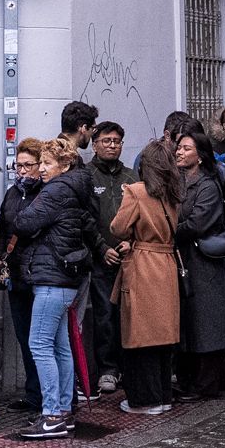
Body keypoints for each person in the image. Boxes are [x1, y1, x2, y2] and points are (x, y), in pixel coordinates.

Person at [10, 136, 94, 441]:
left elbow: (23, 222)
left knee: (40, 344)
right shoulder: (75, 188)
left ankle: (52, 415)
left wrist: (27, 207)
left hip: (52, 276)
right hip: (64, 277)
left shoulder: (57, 190)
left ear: (65, 165)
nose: (42, 169)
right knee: (60, 346)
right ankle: (64, 411)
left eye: (47, 163)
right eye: (41, 163)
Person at [110, 144, 183, 414]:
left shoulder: (136, 191)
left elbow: (118, 227)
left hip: (143, 265)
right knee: (163, 334)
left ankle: (144, 399)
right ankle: (163, 396)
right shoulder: (174, 193)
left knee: (140, 334)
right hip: (167, 263)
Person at [173, 129, 225, 402]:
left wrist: (167, 231)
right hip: (186, 260)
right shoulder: (179, 180)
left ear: (199, 156)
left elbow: (197, 223)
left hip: (204, 263)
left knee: (207, 322)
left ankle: (206, 384)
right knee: (191, 322)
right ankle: (189, 381)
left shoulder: (208, 186)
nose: (179, 152)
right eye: (179, 147)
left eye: (186, 148)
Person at [0, 139, 47, 415]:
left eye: (28, 165)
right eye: (18, 165)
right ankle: (33, 393)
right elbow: (3, 228)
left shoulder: (47, 192)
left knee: (43, 340)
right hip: (16, 273)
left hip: (39, 272)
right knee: (24, 336)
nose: (22, 171)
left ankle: (49, 396)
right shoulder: (13, 193)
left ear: (40, 165)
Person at [80, 122, 135, 393]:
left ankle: (129, 367)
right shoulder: (86, 175)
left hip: (130, 257)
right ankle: (108, 369)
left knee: (130, 314)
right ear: (94, 144)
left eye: (117, 141)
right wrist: (102, 248)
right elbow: (85, 218)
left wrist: (130, 241)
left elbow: (142, 214)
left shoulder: (131, 176)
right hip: (100, 258)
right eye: (106, 141)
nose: (112, 145)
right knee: (104, 316)